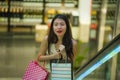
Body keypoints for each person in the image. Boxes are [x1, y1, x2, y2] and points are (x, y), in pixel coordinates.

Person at [37, 14, 78, 79]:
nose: (59, 27)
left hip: (65, 76)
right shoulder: (47, 40)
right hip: (49, 75)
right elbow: (39, 58)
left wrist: (64, 54)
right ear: (52, 27)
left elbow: (72, 62)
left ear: (67, 26)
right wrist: (53, 56)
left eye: (62, 24)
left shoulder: (73, 43)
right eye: (56, 24)